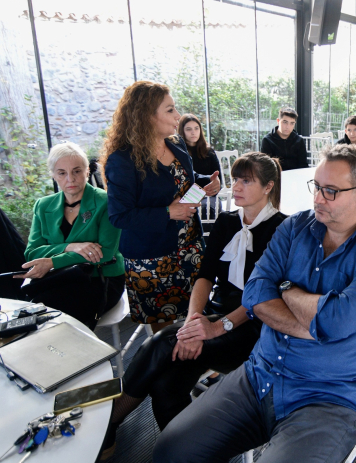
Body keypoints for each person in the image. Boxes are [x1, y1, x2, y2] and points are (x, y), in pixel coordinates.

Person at [152, 144, 356, 463]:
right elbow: (255, 294)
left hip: (331, 395)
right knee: (171, 451)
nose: (317, 198)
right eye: (316, 187)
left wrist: (284, 288)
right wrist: (312, 319)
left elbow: (337, 322)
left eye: (330, 191)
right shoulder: (294, 227)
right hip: (261, 374)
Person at [100, 153, 285, 459]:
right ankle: (193, 454)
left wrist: (214, 328)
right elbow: (204, 276)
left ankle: (113, 417)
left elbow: (264, 297)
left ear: (268, 187)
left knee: (162, 342)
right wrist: (193, 321)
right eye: (235, 178)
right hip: (215, 314)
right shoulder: (227, 221)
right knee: (165, 384)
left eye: (246, 180)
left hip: (254, 327)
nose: (235, 186)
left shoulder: (283, 228)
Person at [101, 81, 221, 332]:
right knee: (165, 330)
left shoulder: (175, 144)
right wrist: (168, 212)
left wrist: (205, 183)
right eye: (170, 110)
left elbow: (181, 181)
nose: (177, 116)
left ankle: (198, 364)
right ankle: (172, 368)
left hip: (190, 246)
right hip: (152, 258)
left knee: (194, 314)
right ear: (146, 115)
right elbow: (120, 216)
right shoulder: (122, 160)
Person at [19, 142, 125, 329]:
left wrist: (52, 261)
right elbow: (32, 253)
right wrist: (71, 247)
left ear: (87, 172)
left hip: (100, 278)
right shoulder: (43, 205)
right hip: (58, 278)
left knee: (52, 316)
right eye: (62, 173)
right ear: (53, 175)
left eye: (77, 171)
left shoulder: (107, 202)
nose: (70, 179)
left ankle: (82, 356)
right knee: (32, 314)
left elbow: (105, 253)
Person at [179, 114, 222, 224]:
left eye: (196, 128)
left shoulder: (209, 152)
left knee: (207, 207)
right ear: (182, 131)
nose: (193, 132)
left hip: (208, 195)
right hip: (185, 195)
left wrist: (212, 187)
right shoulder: (178, 152)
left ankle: (208, 240)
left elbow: (218, 180)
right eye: (189, 129)